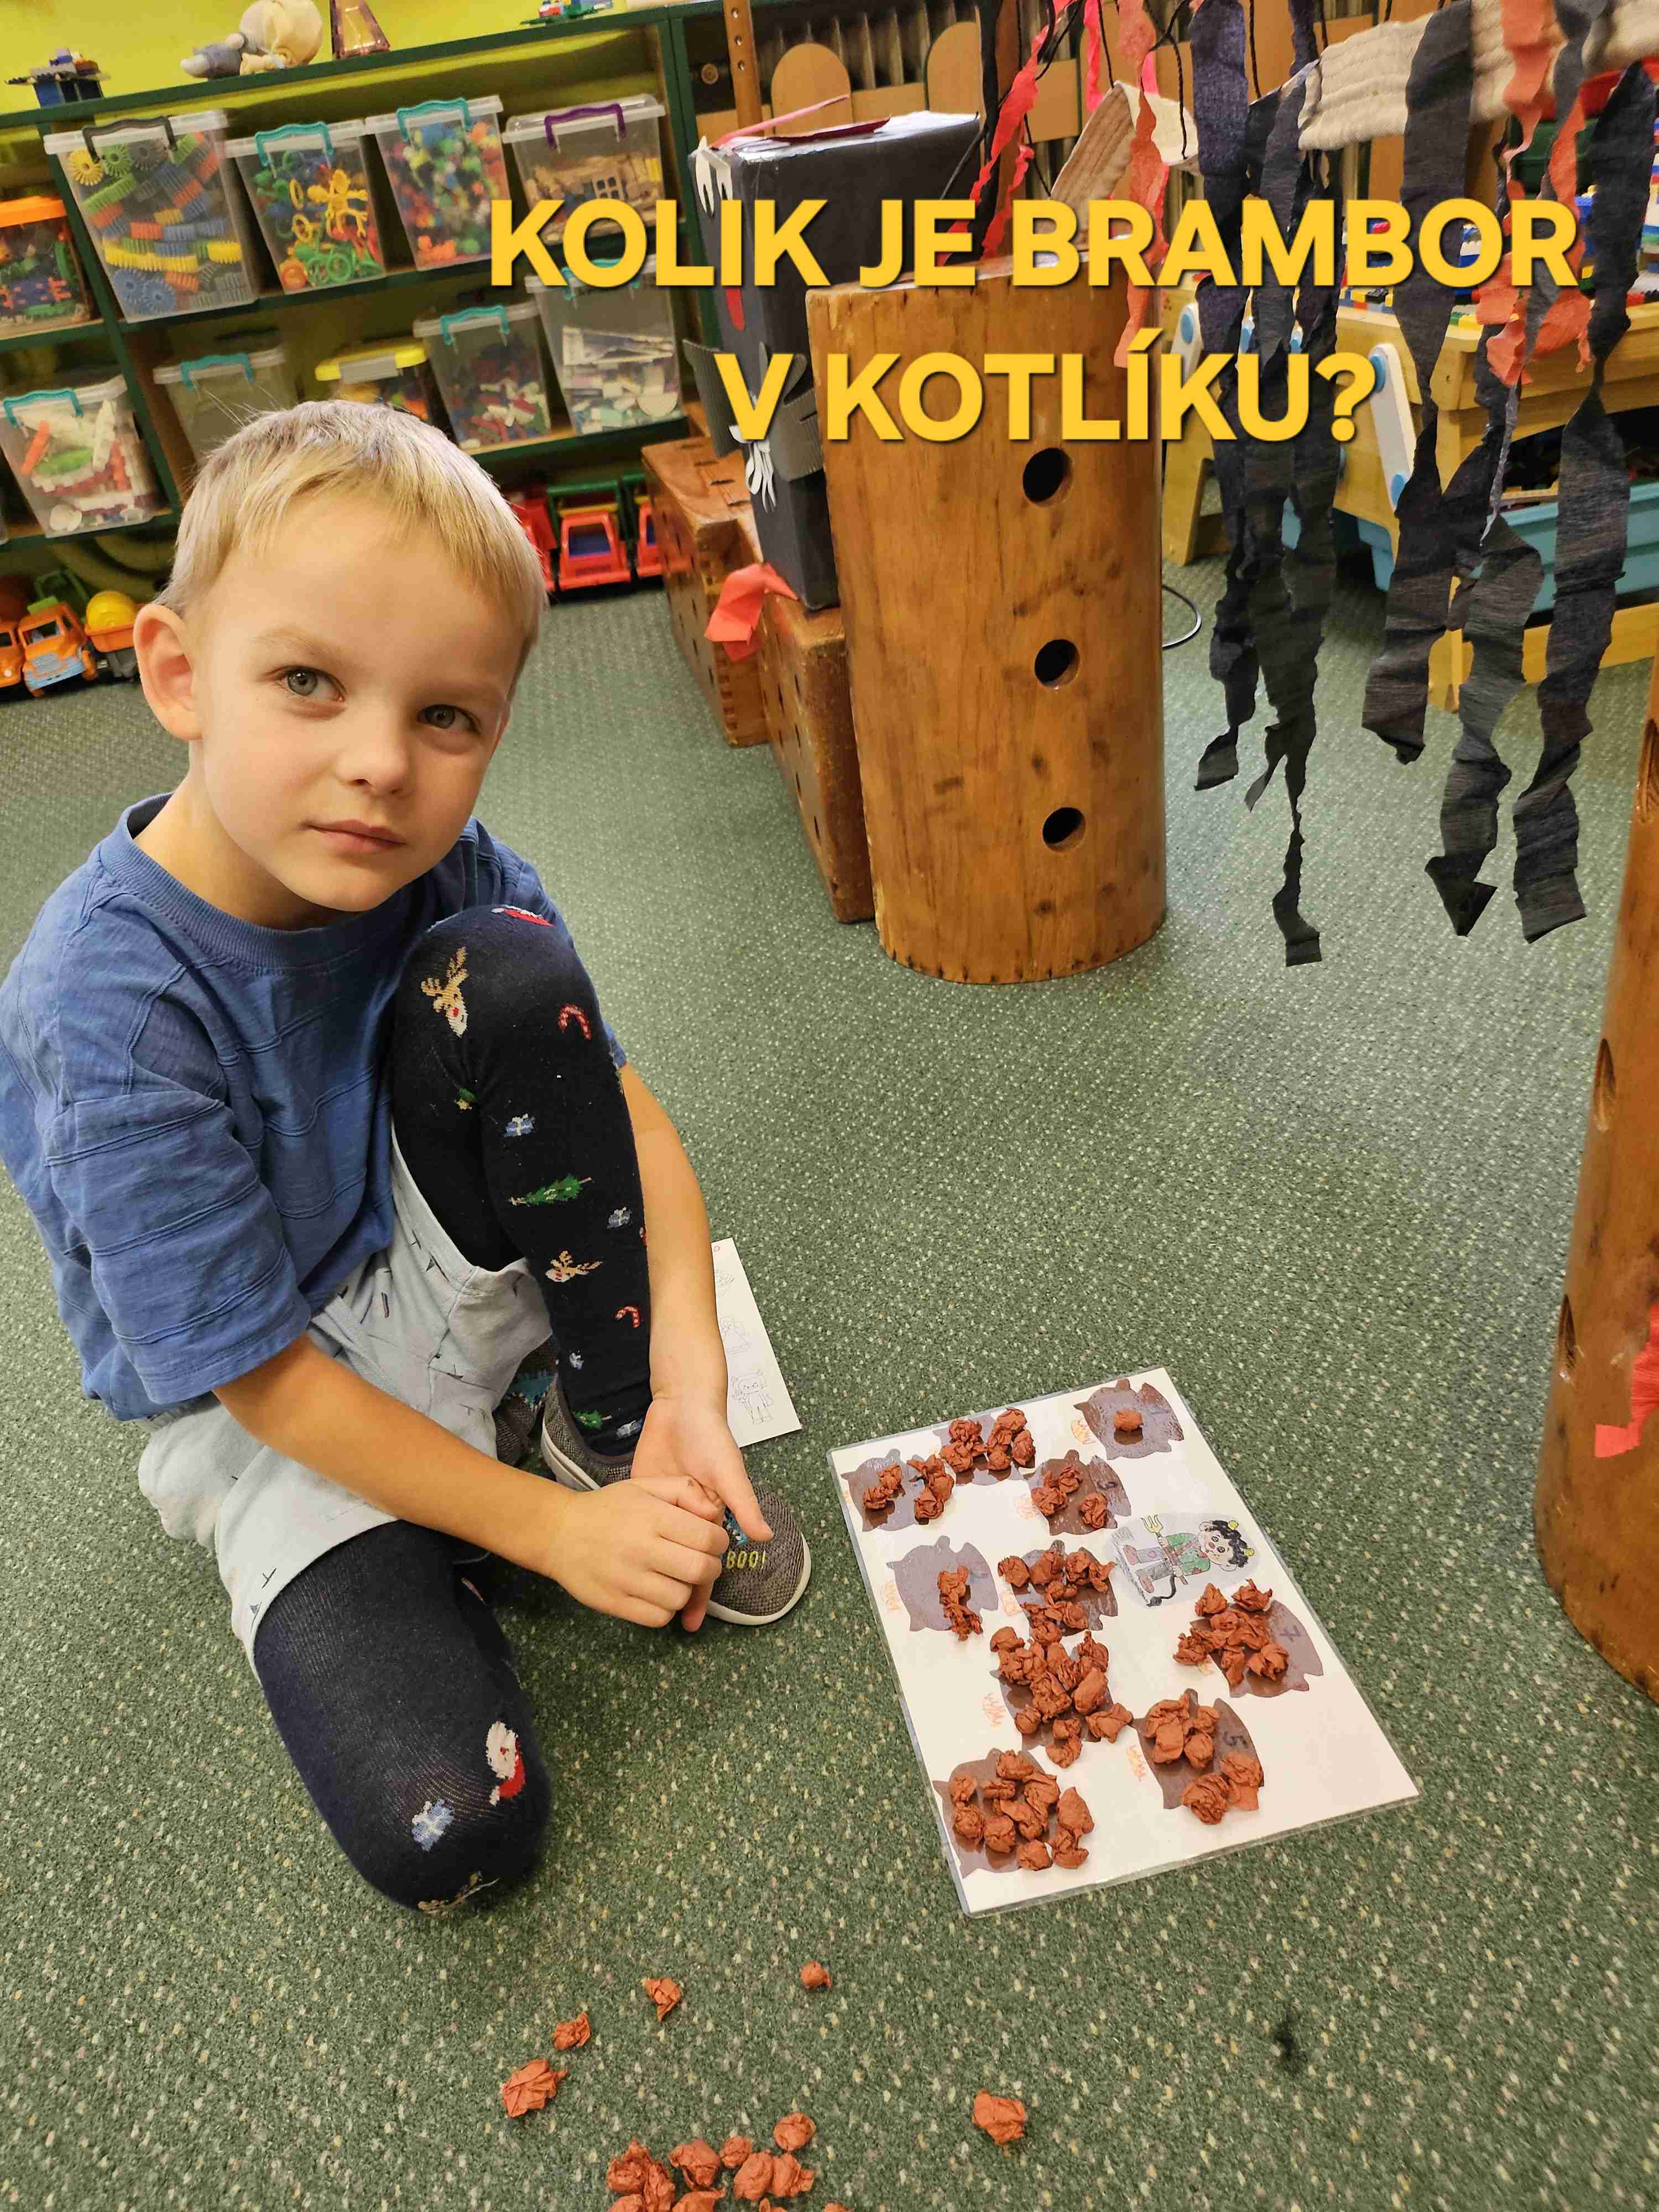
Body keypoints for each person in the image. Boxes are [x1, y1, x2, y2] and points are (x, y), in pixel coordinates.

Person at [0, 401, 810, 1918]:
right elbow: (261, 1382)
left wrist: (685, 1384)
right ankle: (486, 1511)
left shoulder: (446, 865)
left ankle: (593, 1423)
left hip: (430, 1249)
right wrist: (552, 1538)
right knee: (453, 1828)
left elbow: (624, 1110)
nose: (379, 764)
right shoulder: (106, 1009)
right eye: (307, 682)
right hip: (271, 1407)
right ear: (177, 673)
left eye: (446, 716)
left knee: (513, 972)